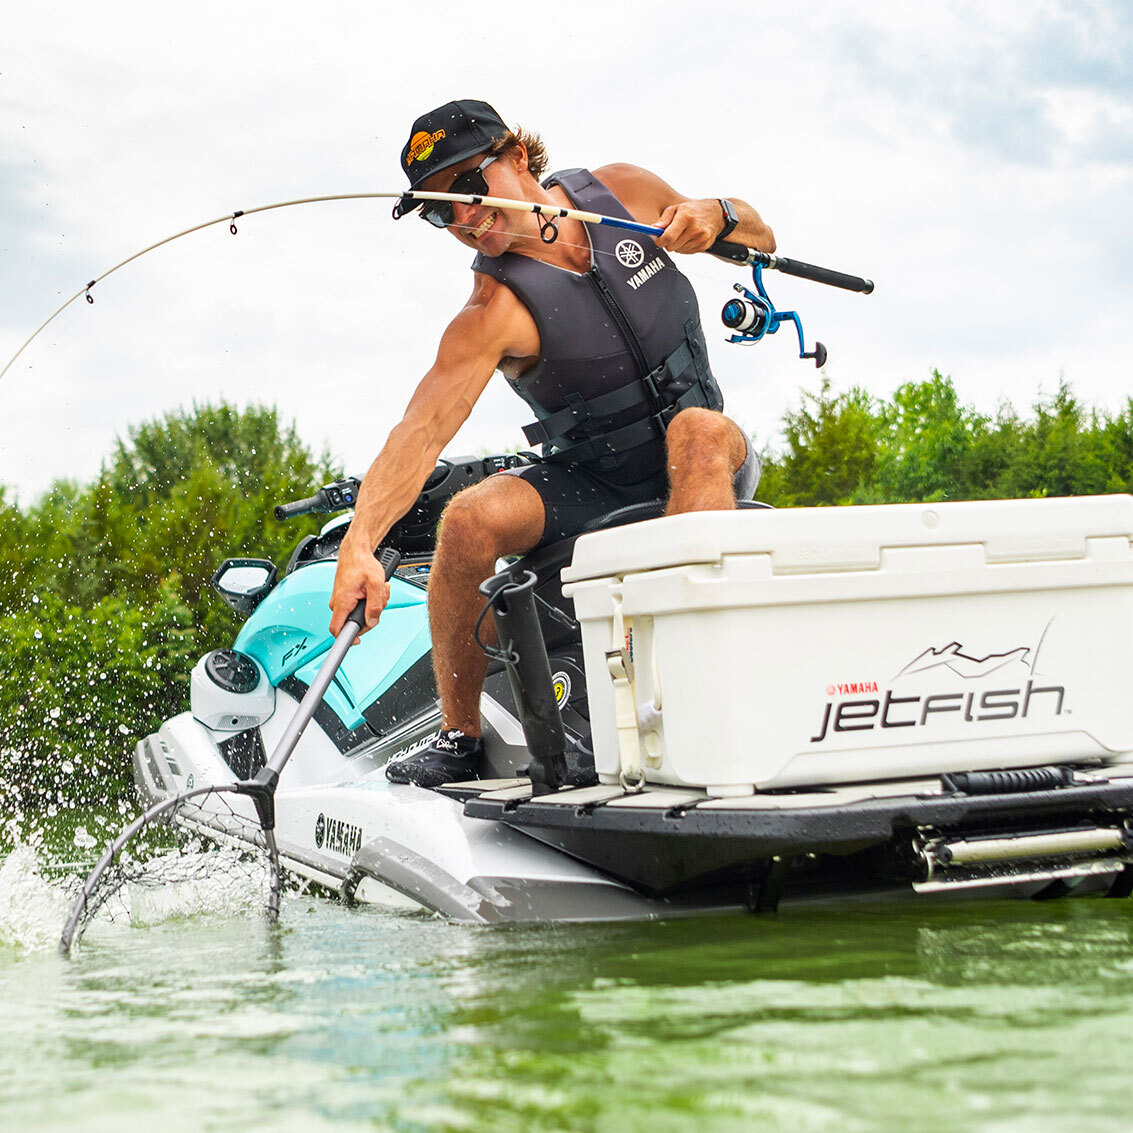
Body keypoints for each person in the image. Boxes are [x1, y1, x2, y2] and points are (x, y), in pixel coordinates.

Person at [328, 99, 776, 788]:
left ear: (514, 155)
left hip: (707, 459)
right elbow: (418, 433)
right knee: (470, 518)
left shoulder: (621, 191)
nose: (462, 219)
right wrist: (360, 543)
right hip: (592, 481)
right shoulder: (490, 313)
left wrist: (714, 214)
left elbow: (760, 233)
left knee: (697, 431)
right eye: (439, 212)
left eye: (468, 190)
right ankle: (459, 734)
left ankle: (698, 690)